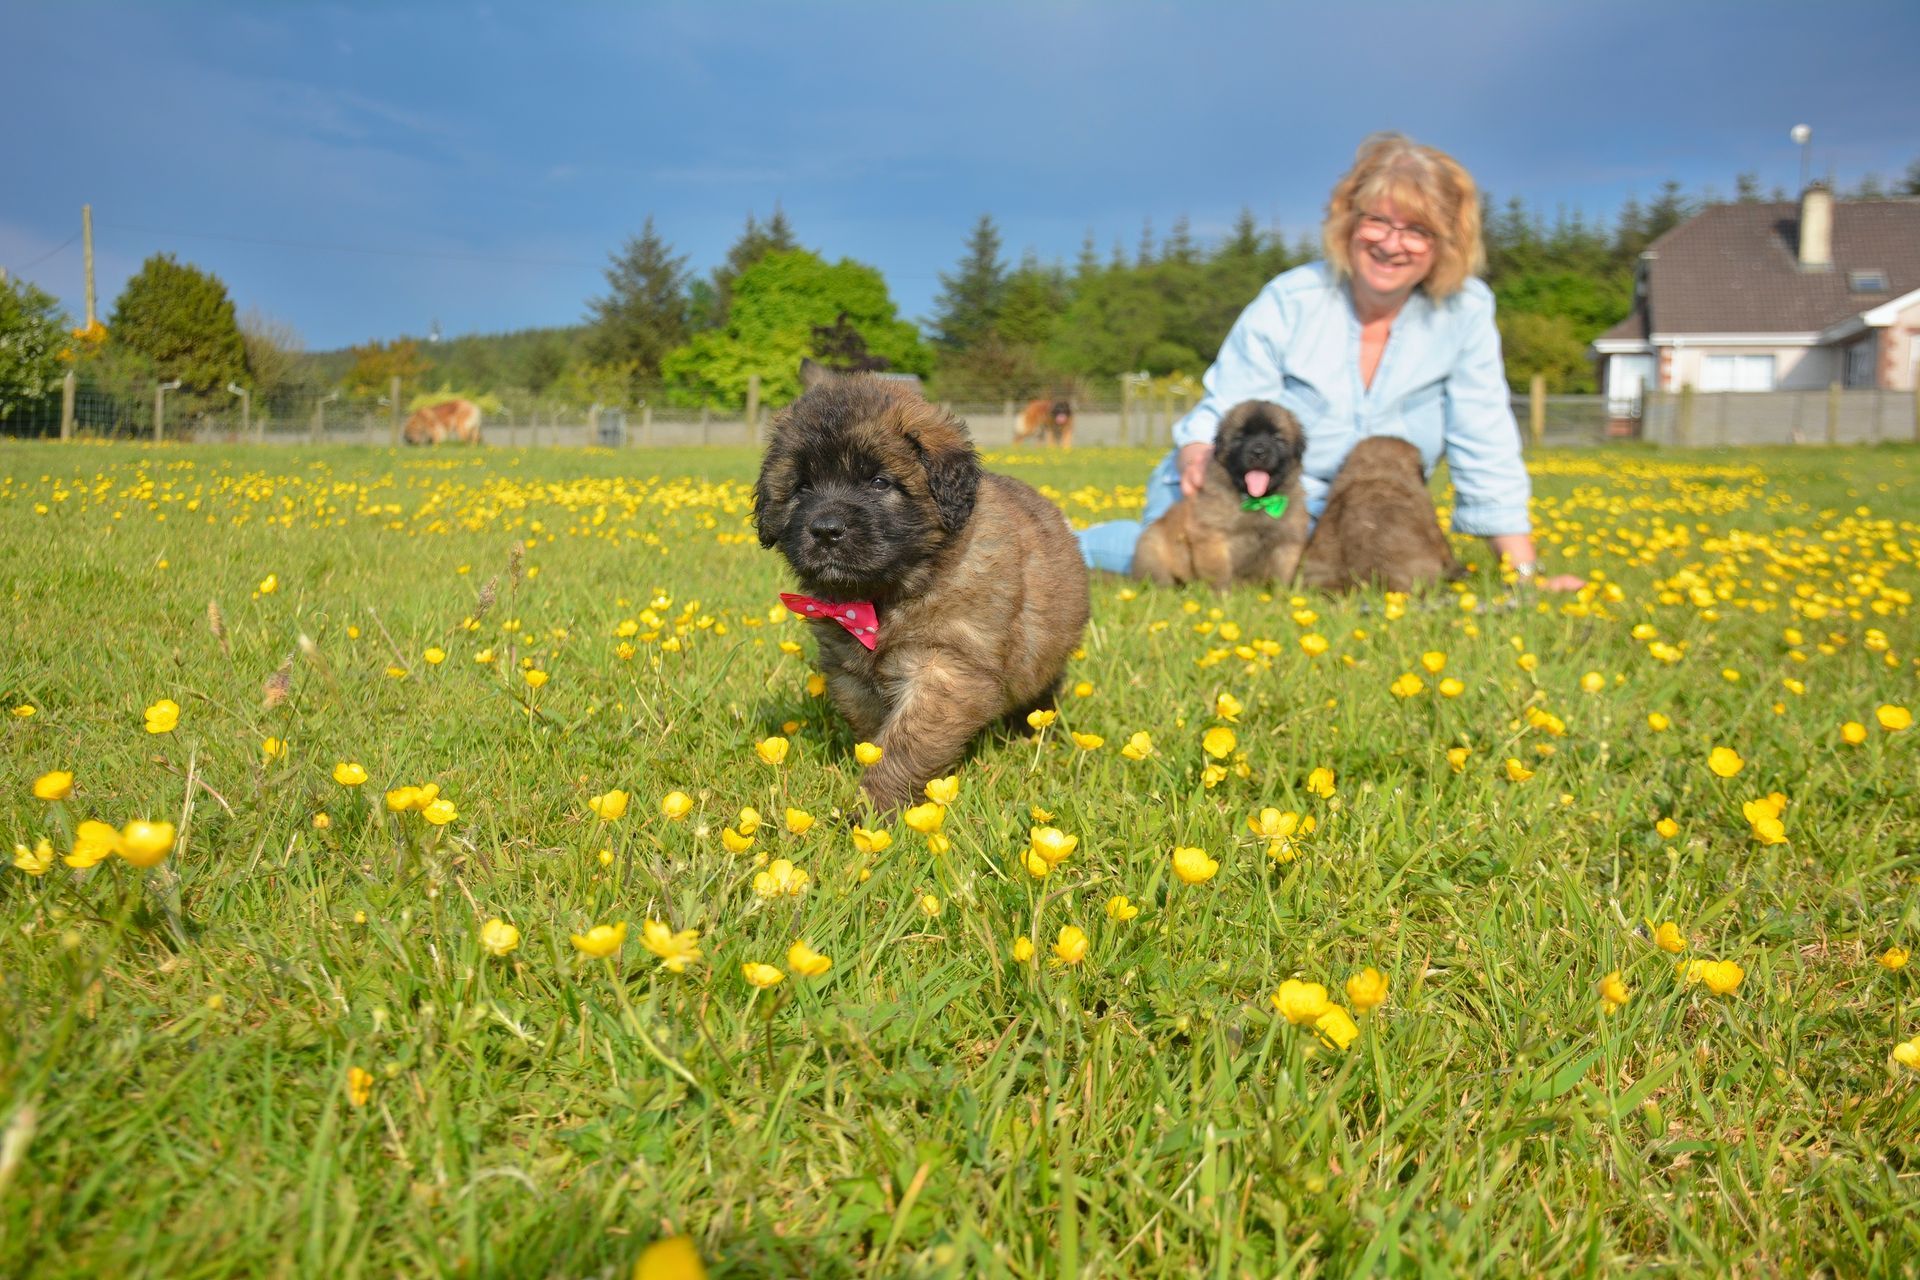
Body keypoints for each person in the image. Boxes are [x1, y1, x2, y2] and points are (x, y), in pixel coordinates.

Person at [1077, 133, 1584, 592]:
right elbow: (1229, 402)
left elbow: (1486, 438)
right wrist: (1196, 455)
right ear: (1347, 222)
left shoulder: (1465, 313)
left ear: (1449, 241)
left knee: (1330, 572)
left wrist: (1521, 573)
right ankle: (1054, 541)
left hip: (1332, 521)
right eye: (1378, 220)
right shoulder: (1292, 299)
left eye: (1416, 229)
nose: (1390, 242)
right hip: (1228, 497)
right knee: (1157, 558)